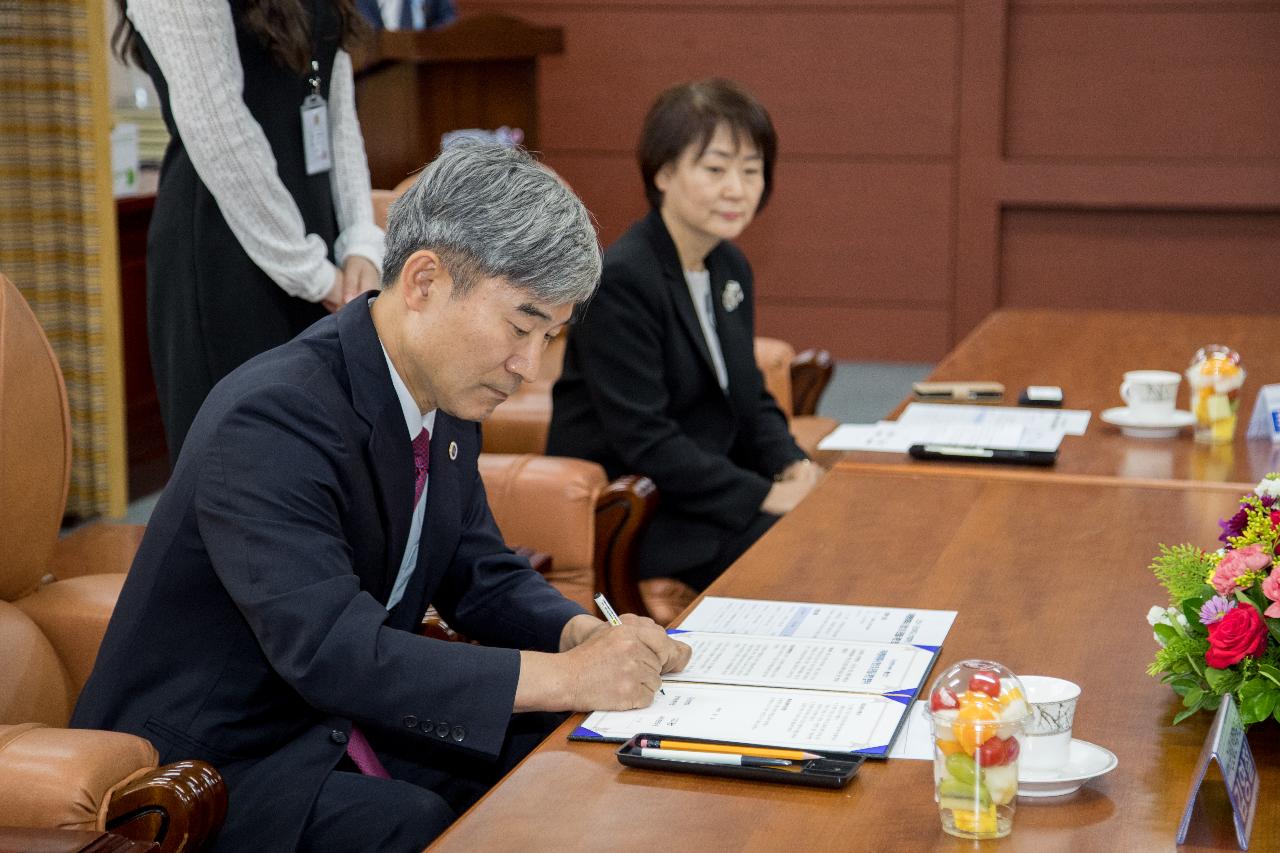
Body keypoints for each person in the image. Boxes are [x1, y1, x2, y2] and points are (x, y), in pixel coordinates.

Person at [72, 142, 691, 853]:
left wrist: (576, 634)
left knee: (554, 752)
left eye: (548, 336)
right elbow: (334, 650)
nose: (528, 366)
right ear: (424, 280)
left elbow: (478, 570)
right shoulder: (273, 416)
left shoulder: (447, 398)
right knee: (410, 821)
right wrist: (568, 675)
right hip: (209, 761)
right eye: (520, 327)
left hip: (331, 720)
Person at [547, 79, 822, 625]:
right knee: (805, 558)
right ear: (663, 173)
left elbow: (749, 398)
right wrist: (763, 496)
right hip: (649, 508)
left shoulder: (729, 267)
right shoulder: (623, 278)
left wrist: (794, 466)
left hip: (708, 489)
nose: (737, 189)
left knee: (828, 525)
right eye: (716, 168)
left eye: (751, 169)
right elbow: (644, 439)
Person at [114, 0, 385, 463]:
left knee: (326, 472)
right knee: (248, 474)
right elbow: (218, 126)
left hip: (320, 253)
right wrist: (309, 271)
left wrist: (360, 240)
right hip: (228, 253)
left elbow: (336, 108)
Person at [356, 0, 456, 31]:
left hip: (428, 67)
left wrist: (428, 41)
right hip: (380, 71)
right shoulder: (363, 2)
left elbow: (448, 20)